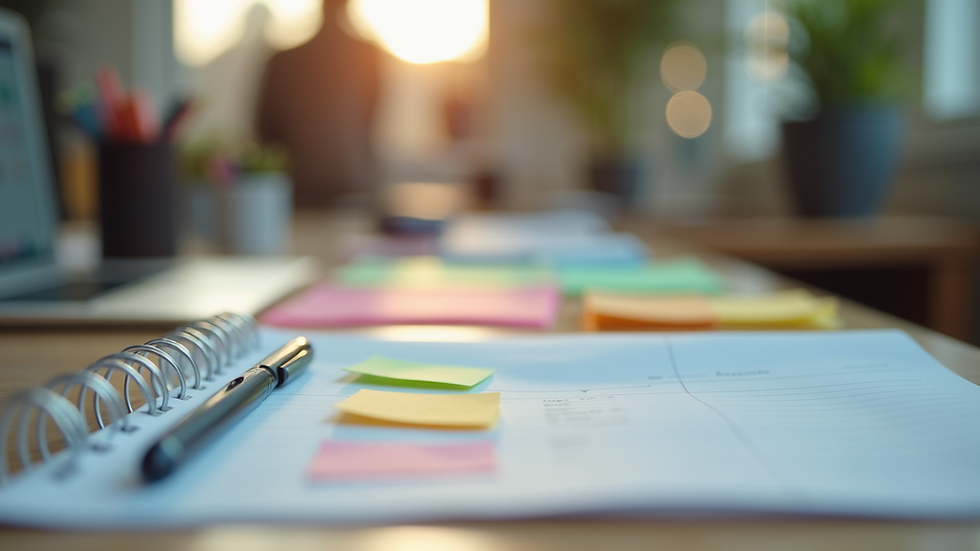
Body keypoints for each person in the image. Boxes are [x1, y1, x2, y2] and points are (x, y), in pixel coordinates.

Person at [254, 0, 381, 207]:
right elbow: (371, 120)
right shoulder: (368, 54)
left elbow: (263, 127)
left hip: (299, 190)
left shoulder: (282, 60)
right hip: (352, 188)